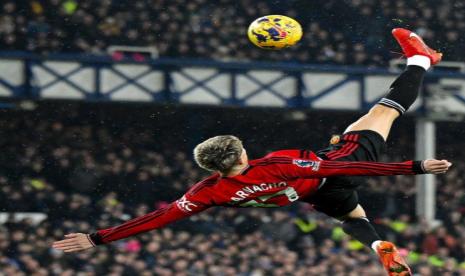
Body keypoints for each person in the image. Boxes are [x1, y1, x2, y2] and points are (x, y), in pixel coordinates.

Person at [53, 28, 451, 276]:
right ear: (241, 152)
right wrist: (415, 167)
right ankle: (421, 58)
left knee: (353, 215)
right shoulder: (276, 164)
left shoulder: (207, 192)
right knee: (382, 112)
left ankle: (377, 245)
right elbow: (359, 170)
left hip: (313, 196)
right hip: (332, 171)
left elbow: (159, 217)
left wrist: (98, 238)